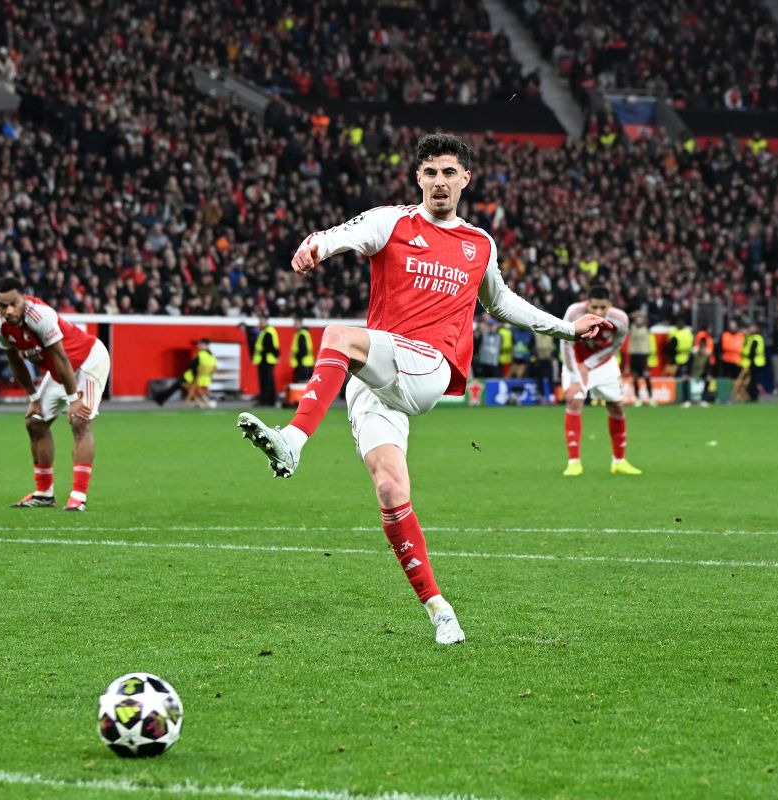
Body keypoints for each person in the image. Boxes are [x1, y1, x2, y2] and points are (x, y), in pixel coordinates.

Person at [235, 134, 613, 644]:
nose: (439, 182)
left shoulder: (479, 244)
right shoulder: (391, 221)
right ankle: (441, 612)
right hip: (377, 376)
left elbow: (502, 303)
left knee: (338, 335)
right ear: (418, 178)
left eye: (449, 172)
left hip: (429, 367)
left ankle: (294, 441)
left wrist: (568, 329)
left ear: (465, 179)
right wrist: (316, 246)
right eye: (430, 172)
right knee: (391, 491)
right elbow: (343, 234)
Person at [0, 277, 111, 512]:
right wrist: (34, 398)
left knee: (79, 421)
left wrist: (73, 400)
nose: (9, 310)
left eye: (14, 303)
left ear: (24, 298)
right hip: (60, 370)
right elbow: (16, 363)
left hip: (87, 360)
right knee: (34, 422)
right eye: (3, 306)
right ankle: (44, 494)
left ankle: (78, 496)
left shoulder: (40, 316)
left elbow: (61, 357)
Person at [560, 285, 643, 477]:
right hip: (575, 361)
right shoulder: (574, 313)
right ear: (587, 304)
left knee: (617, 407)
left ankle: (619, 461)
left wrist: (589, 365)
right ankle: (574, 463)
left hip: (602, 362)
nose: (598, 312)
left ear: (610, 305)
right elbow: (565, 343)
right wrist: (575, 376)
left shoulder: (621, 319)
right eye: (594, 307)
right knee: (574, 401)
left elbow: (615, 346)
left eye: (603, 307)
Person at [251, 313, 279, 406]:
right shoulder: (267, 331)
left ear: (266, 320)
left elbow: (269, 347)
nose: (260, 322)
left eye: (262, 320)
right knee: (268, 381)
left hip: (266, 360)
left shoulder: (267, 332)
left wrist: (262, 352)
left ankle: (265, 401)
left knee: (265, 382)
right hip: (267, 360)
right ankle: (269, 401)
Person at [183, 338, 218, 408]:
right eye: (199, 344)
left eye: (201, 344)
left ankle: (204, 402)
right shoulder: (212, 355)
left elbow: (194, 366)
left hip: (198, 376)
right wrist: (211, 376)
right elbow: (214, 367)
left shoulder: (201, 354)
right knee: (193, 387)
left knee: (187, 384)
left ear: (206, 345)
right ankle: (202, 402)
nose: (199, 345)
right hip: (206, 377)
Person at [627, 310, 653, 404]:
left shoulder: (647, 328)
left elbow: (652, 320)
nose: (638, 320)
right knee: (635, 377)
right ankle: (637, 398)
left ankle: (650, 397)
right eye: (637, 318)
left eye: (640, 318)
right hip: (634, 355)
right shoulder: (632, 328)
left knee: (647, 376)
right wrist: (634, 314)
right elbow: (626, 319)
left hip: (643, 355)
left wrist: (642, 314)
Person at [290, 316, 315, 383]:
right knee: (305, 383)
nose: (294, 324)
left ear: (300, 322)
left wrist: (297, 358)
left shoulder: (301, 334)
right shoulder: (304, 333)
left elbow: (303, 350)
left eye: (296, 322)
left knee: (301, 383)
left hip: (303, 364)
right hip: (307, 363)